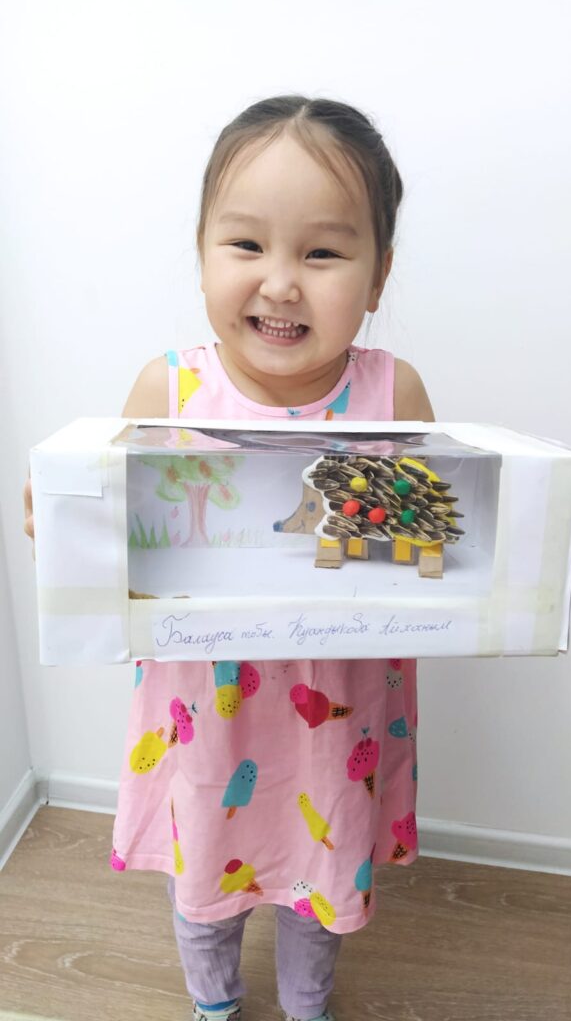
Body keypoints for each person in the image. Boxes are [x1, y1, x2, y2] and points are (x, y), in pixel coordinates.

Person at [25, 95, 434, 1021]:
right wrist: (64, 516)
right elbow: (109, 537)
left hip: (337, 705)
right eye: (246, 244)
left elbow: (430, 548)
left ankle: (306, 1003)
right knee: (205, 865)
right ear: (202, 250)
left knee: (323, 864)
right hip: (208, 706)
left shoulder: (392, 394)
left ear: (377, 276)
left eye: (322, 253)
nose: (280, 283)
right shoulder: (167, 388)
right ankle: (212, 1003)